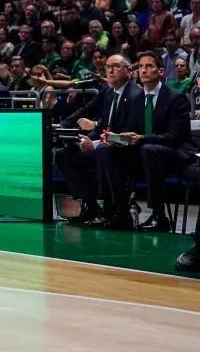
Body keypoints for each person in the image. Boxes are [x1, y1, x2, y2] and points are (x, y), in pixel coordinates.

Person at [54, 55, 143, 227]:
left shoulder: (137, 95)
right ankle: (91, 207)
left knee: (103, 151)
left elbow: (128, 132)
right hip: (104, 146)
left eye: (115, 66)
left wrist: (93, 144)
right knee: (64, 154)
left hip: (126, 151)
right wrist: (62, 125)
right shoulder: (108, 91)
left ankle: (120, 212)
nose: (110, 70)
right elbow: (87, 110)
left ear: (128, 71)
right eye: (108, 67)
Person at [129, 51, 193, 231]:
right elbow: (131, 129)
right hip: (146, 153)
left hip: (176, 153)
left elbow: (175, 137)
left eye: (149, 66)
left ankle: (159, 216)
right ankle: (117, 209)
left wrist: (142, 138)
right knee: (109, 150)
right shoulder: (135, 99)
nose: (143, 70)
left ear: (161, 71)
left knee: (149, 149)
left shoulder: (175, 98)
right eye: (141, 67)